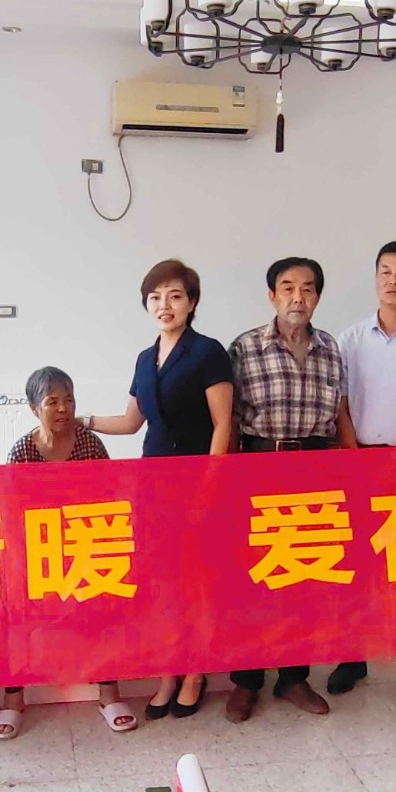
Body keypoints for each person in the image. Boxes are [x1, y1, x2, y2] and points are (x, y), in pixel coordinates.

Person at [82, 259, 232, 719]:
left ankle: (196, 673)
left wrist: (210, 484)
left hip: (198, 485)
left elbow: (223, 424)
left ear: (192, 302)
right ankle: (168, 672)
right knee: (163, 585)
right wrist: (82, 420)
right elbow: (132, 422)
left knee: (198, 584)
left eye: (175, 296)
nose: (164, 305)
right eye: (155, 297)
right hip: (154, 488)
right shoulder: (145, 359)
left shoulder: (208, 353)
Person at [225, 256, 356, 723]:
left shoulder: (331, 348)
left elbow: (340, 414)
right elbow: (228, 419)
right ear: (272, 296)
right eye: (287, 288)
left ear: (317, 296)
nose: (297, 297)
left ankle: (294, 677)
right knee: (254, 581)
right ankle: (246, 681)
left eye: (307, 288)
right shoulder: (244, 348)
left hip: (316, 469)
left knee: (304, 577)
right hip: (259, 467)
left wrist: (354, 468)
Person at [324, 240, 396, 711]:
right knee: (354, 568)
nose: (394, 281)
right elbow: (340, 402)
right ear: (375, 278)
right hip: (356, 461)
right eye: (386, 272)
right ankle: (352, 658)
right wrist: (353, 452)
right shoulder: (349, 339)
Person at [2, 366, 137, 739]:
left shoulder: (90, 445)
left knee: (105, 602)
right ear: (34, 408)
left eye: (69, 400)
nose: (63, 409)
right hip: (39, 551)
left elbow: (110, 497)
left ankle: (109, 694)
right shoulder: (22, 451)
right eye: (52, 401)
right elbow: (13, 513)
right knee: (15, 614)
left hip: (85, 544)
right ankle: (13, 699)